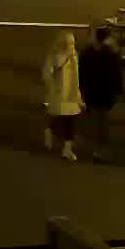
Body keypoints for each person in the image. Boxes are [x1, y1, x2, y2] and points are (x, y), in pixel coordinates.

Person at [78, 27, 125, 151]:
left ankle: (91, 143)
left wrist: (79, 88)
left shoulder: (86, 53)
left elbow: (80, 73)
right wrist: (118, 91)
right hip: (105, 91)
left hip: (90, 90)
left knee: (91, 116)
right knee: (102, 119)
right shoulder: (111, 54)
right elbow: (117, 74)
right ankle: (100, 146)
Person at [42, 31, 84, 162]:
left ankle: (66, 149)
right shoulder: (57, 56)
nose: (72, 45)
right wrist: (54, 85)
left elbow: (75, 78)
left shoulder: (73, 57)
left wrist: (78, 97)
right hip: (61, 95)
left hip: (70, 95)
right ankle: (51, 132)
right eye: (69, 43)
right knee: (62, 119)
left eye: (73, 42)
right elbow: (47, 73)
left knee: (70, 122)